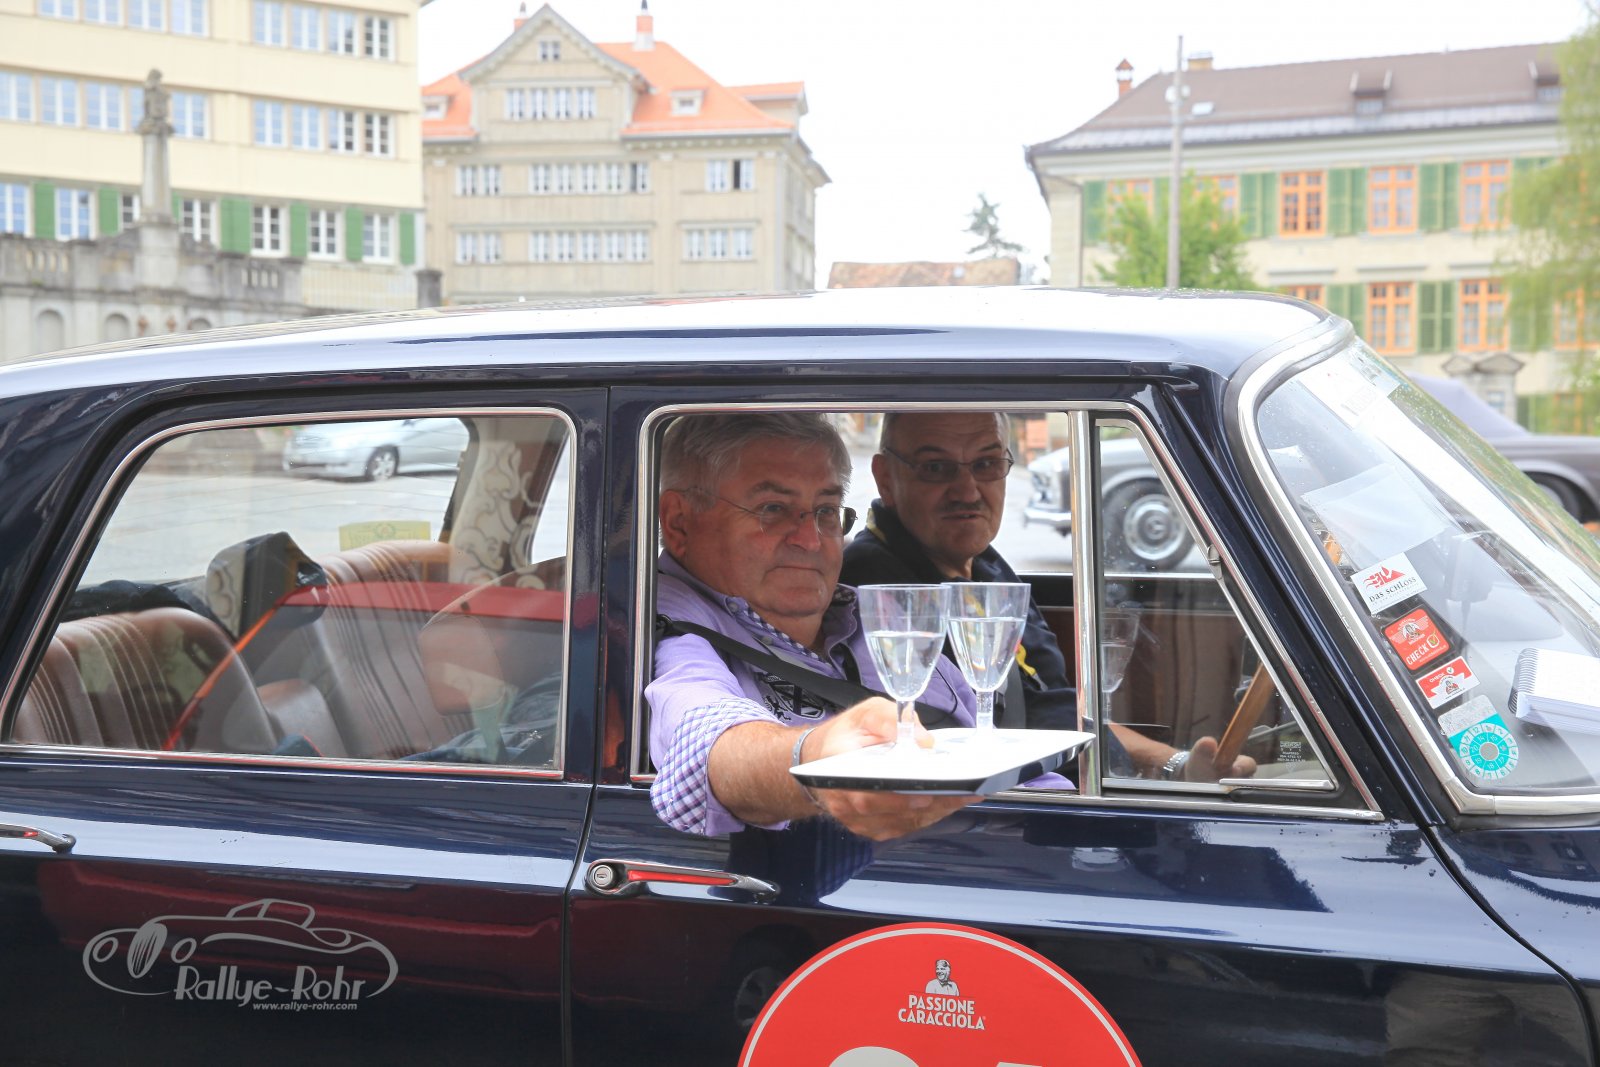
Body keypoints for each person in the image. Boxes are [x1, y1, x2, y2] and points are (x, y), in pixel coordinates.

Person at [840, 410, 1255, 783]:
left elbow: (1054, 707)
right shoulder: (879, 593)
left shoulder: (983, 565)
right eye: (935, 468)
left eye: (986, 464)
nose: (967, 491)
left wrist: (1176, 765)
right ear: (885, 479)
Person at [646, 412, 982, 841]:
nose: (810, 539)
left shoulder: (880, 620)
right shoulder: (668, 624)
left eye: (825, 511)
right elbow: (702, 736)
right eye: (773, 509)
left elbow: (989, 753)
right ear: (679, 521)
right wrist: (817, 756)